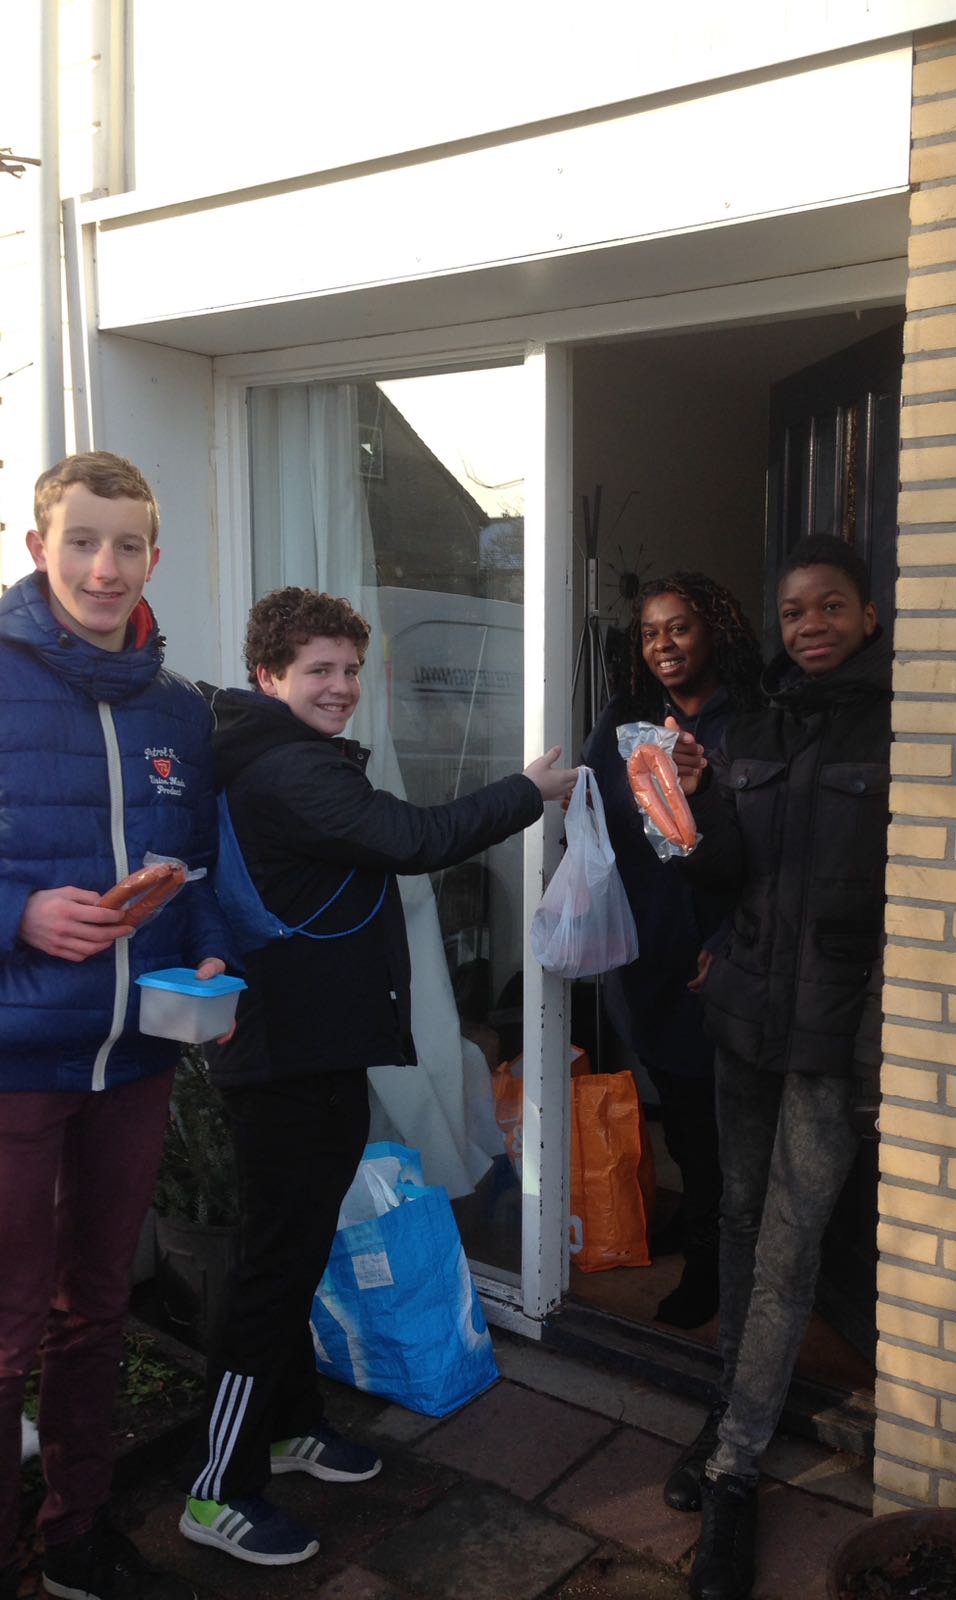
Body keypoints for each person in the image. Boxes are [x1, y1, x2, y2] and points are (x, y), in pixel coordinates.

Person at [181, 587, 576, 1567]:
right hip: (283, 1057)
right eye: (319, 669)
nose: (341, 687)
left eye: (352, 670)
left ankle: (291, 1427)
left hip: (312, 1047)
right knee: (274, 1267)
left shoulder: (280, 756)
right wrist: (528, 790)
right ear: (269, 674)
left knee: (300, 1249)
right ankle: (217, 1488)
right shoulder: (288, 770)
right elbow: (414, 839)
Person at [0, 452, 235, 1600]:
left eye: (127, 544)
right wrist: (19, 912)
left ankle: (75, 1534)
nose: (105, 566)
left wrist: (210, 954)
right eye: (82, 540)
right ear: (36, 546)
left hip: (137, 1053)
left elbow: (193, 870)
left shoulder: (179, 707)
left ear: (154, 557)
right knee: (3, 1329)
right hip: (14, 1059)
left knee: (95, 1309)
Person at [663, 536, 890, 1600]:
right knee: (741, 1222)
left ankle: (735, 1473)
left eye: (830, 606)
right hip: (746, 1018)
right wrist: (688, 806)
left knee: (791, 1250)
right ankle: (731, 1416)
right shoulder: (752, 725)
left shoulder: (902, 727)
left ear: (868, 615)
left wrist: (880, 1050)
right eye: (795, 611)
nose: (811, 625)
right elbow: (724, 871)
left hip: (832, 1037)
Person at [581, 574, 761, 1328]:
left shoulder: (752, 719)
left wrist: (731, 938)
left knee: (729, 1119)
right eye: (651, 632)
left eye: (680, 627)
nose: (664, 645)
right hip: (649, 943)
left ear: (713, 630)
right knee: (683, 1112)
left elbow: (772, 846)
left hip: (730, 948)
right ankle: (703, 1230)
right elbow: (592, 818)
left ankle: (720, 1263)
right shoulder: (624, 719)